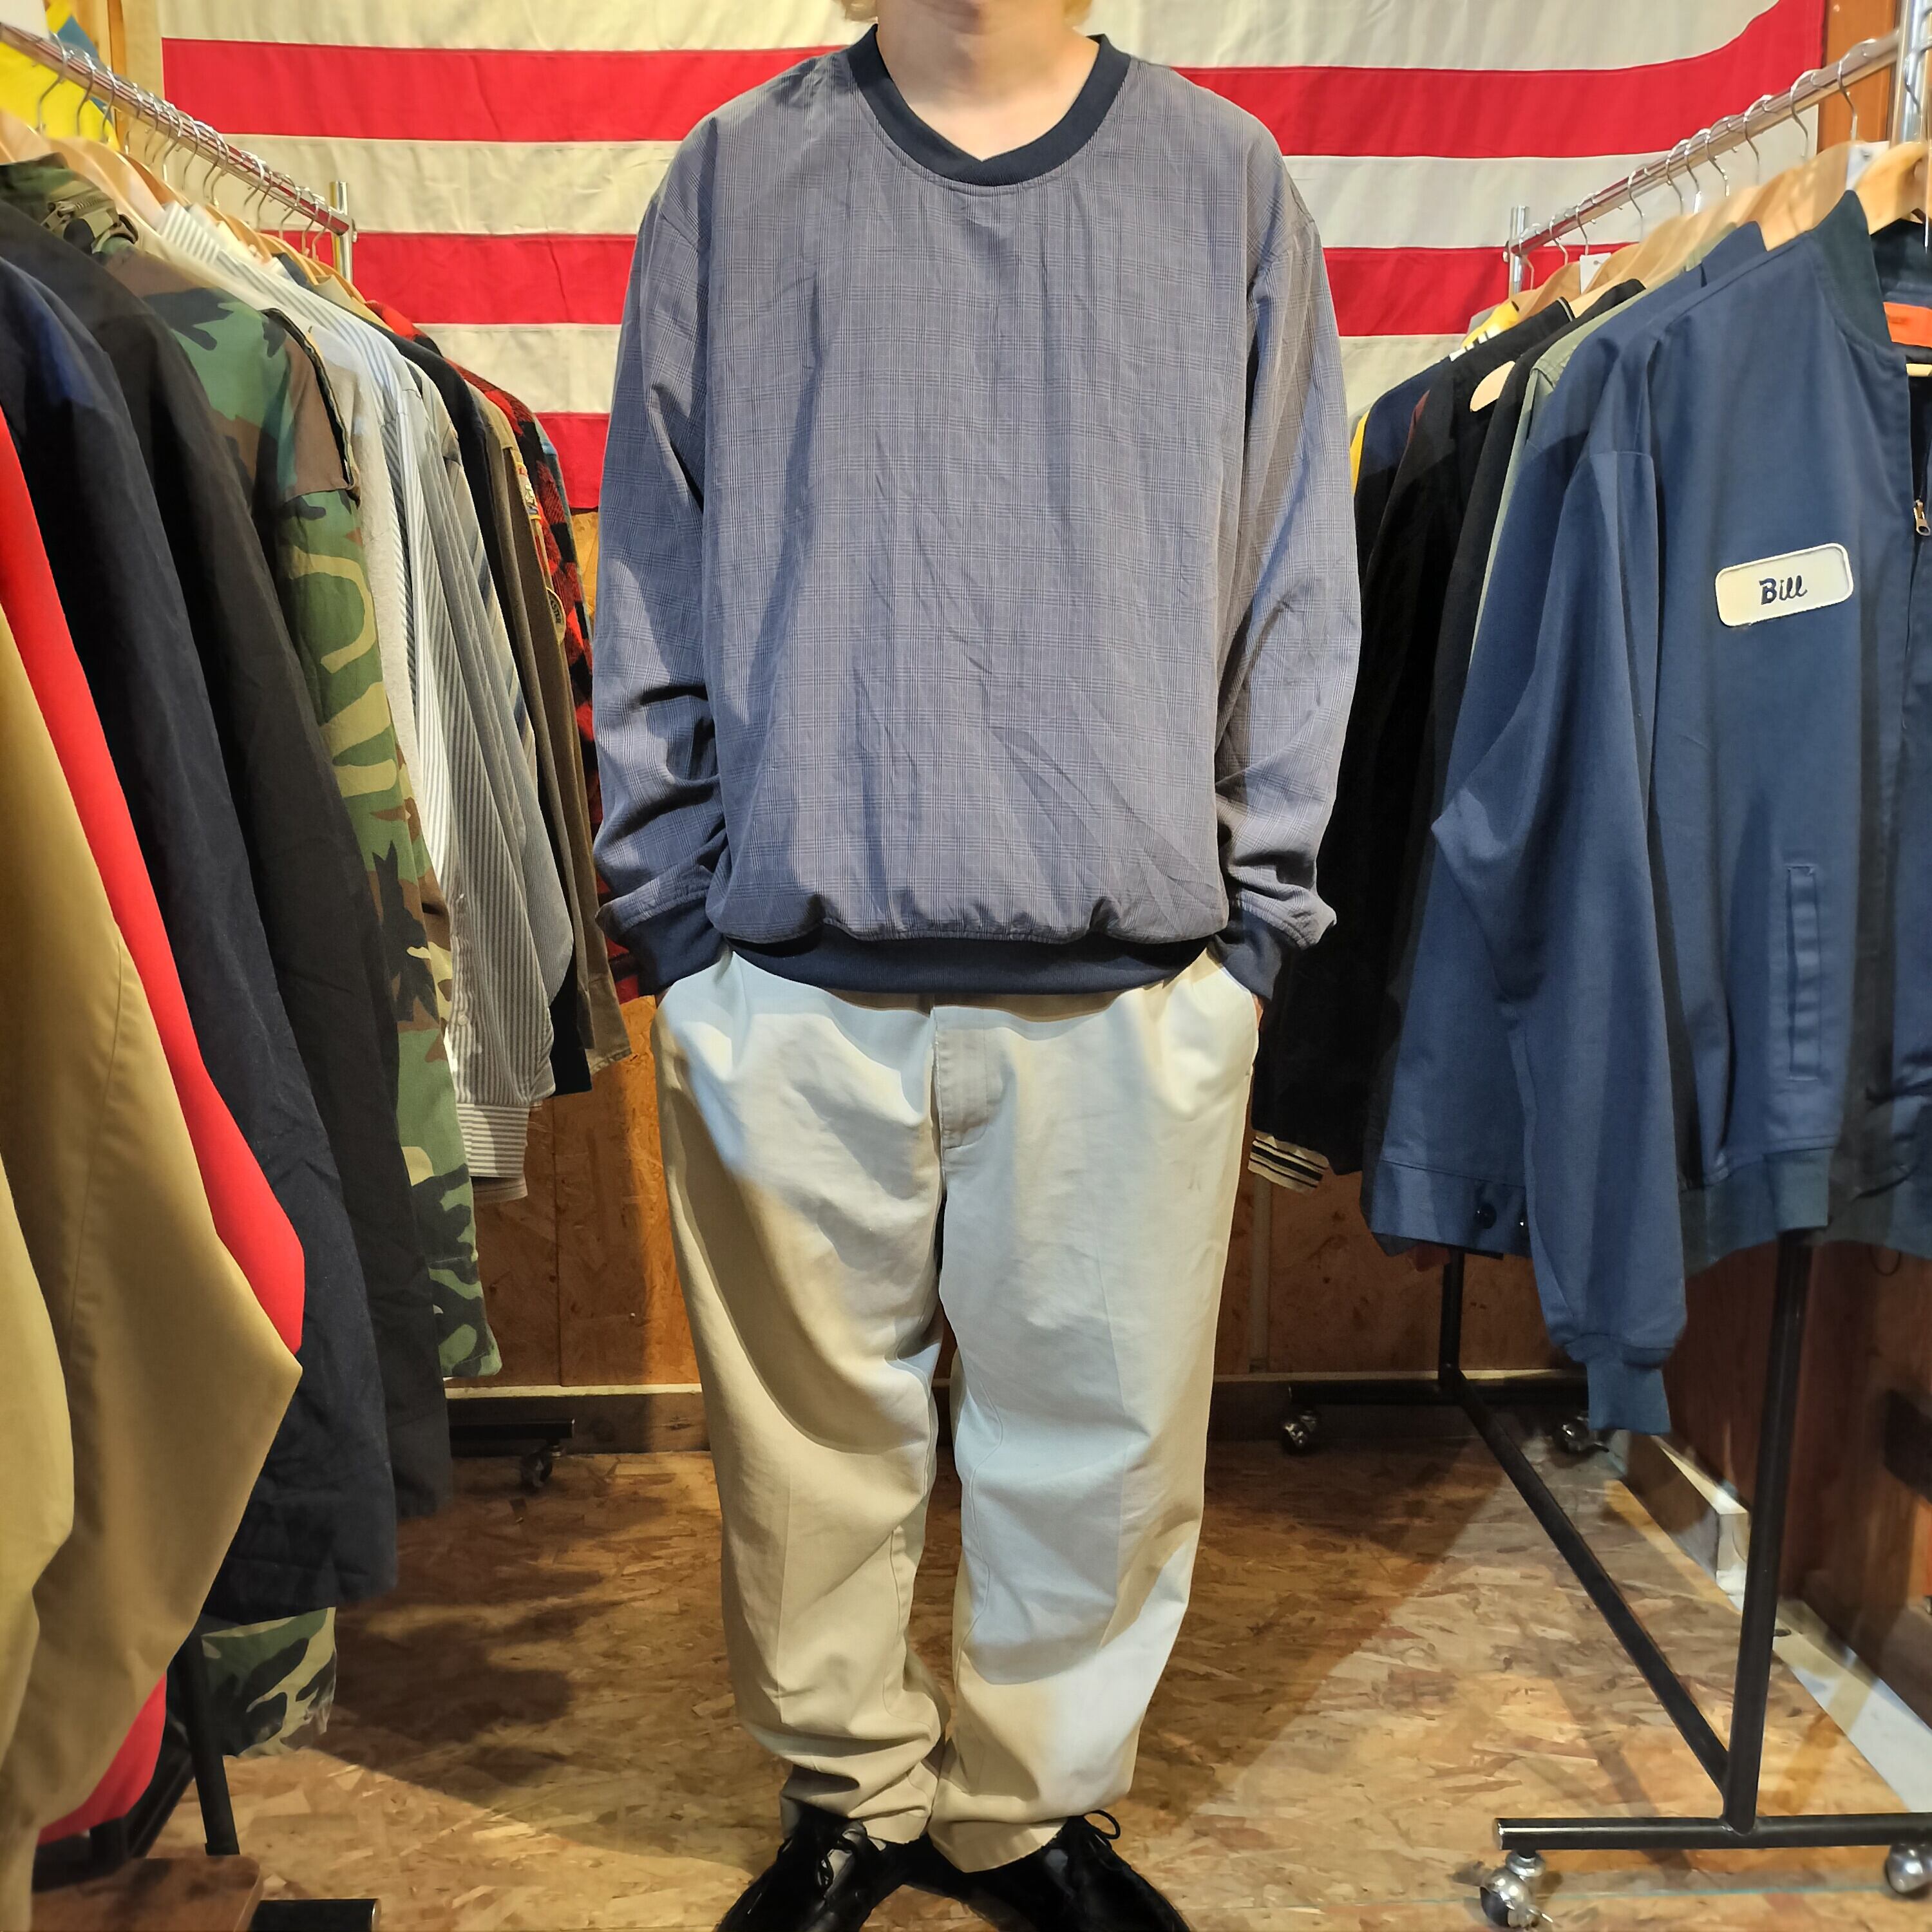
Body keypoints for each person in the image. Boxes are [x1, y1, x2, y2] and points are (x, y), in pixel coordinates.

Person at [592, 0, 1359, 1923]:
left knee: (1100, 1455)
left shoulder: (1225, 187)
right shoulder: (737, 180)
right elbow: (654, 561)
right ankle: (850, 1800)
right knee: (804, 1458)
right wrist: (674, 921)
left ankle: (1028, 1812)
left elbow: (1297, 572)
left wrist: (1254, 931)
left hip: (1135, 979)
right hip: (788, 976)